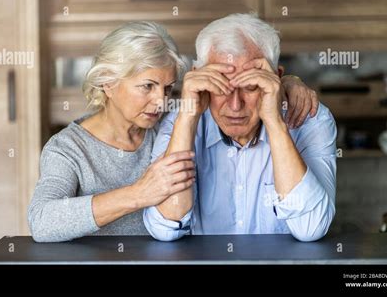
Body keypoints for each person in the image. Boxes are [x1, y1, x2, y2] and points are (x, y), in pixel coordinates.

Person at [28, 20, 320, 242]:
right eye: (148, 86)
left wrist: (288, 84)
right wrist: (139, 194)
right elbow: (42, 221)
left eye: (168, 88)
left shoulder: (172, 124)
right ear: (108, 82)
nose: (161, 101)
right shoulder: (67, 148)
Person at [143, 13, 337, 242]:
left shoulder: (309, 118)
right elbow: (164, 229)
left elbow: (311, 228)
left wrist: (275, 122)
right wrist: (187, 118)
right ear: (198, 78)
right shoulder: (179, 122)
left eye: (252, 85)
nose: (235, 105)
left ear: (276, 79)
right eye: (220, 84)